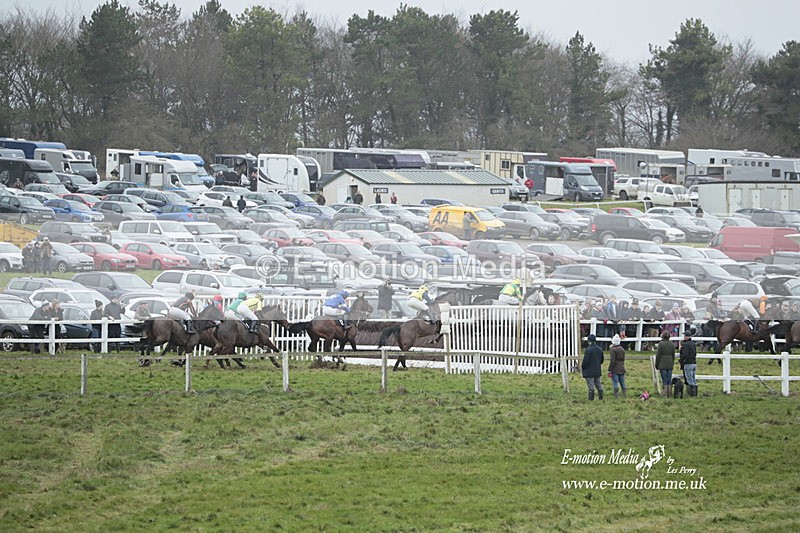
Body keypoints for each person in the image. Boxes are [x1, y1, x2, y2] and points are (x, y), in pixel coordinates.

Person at [581, 334, 604, 401]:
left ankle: (591, 398)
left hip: (589, 370)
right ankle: (601, 397)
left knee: (591, 385)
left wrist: (583, 367)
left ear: (589, 341)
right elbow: (602, 360)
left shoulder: (588, 350)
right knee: (598, 383)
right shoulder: (600, 349)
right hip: (597, 370)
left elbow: (585, 361)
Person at [655, 331, 676, 398]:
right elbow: (673, 354)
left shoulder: (661, 344)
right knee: (669, 379)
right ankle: (669, 393)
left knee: (664, 379)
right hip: (670, 363)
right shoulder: (672, 344)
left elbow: (658, 355)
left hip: (662, 363)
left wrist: (657, 364)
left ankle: (664, 393)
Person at [679, 330, 698, 397]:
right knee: (693, 378)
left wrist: (681, 361)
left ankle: (692, 394)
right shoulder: (693, 343)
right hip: (694, 363)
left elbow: (685, 354)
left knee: (689, 379)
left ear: (686, 337)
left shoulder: (686, 345)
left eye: (684, 336)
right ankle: (695, 393)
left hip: (688, 363)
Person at [608, 333, 627, 398]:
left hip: (615, 369)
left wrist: (610, 370)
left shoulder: (612, 349)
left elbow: (612, 361)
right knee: (622, 382)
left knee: (615, 382)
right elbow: (623, 359)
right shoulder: (622, 349)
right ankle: (624, 394)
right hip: (622, 367)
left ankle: (616, 396)